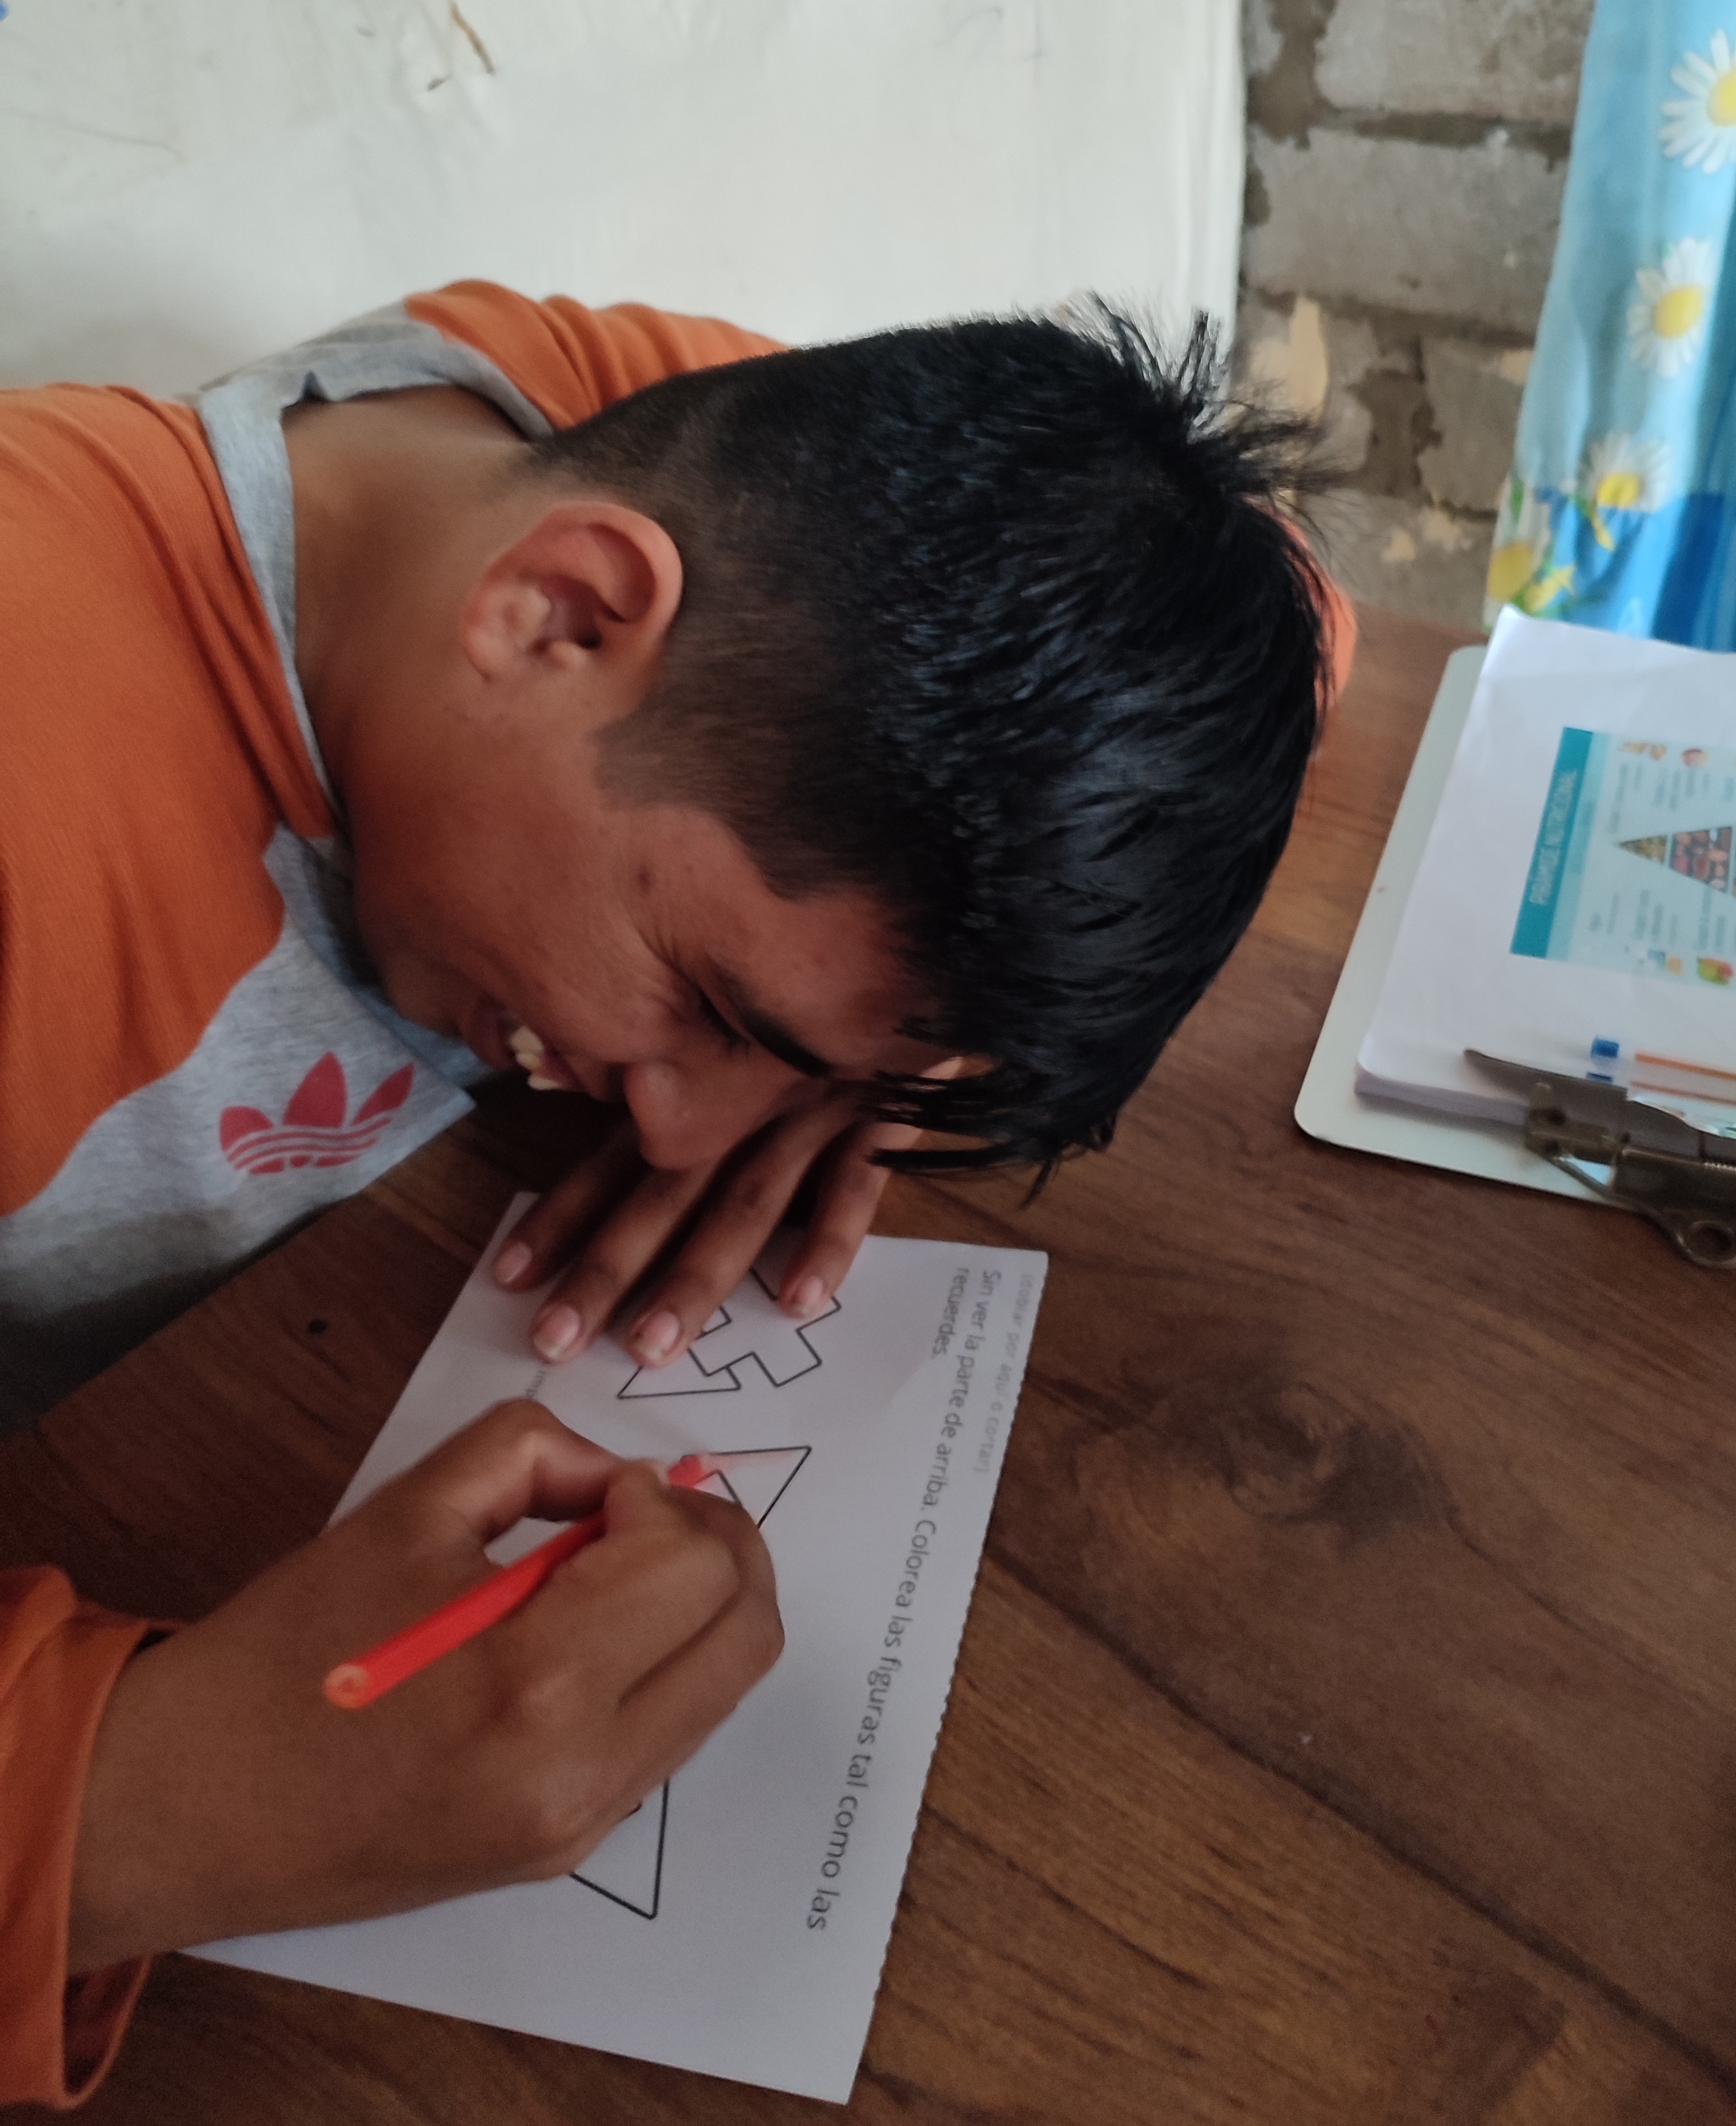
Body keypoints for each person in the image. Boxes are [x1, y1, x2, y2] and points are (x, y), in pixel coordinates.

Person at [0, 281, 1350, 2104]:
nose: (689, 1128)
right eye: (710, 1004)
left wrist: (862, 1074)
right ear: (554, 614)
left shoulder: (636, 435)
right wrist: (144, 1808)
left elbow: (1272, 608)